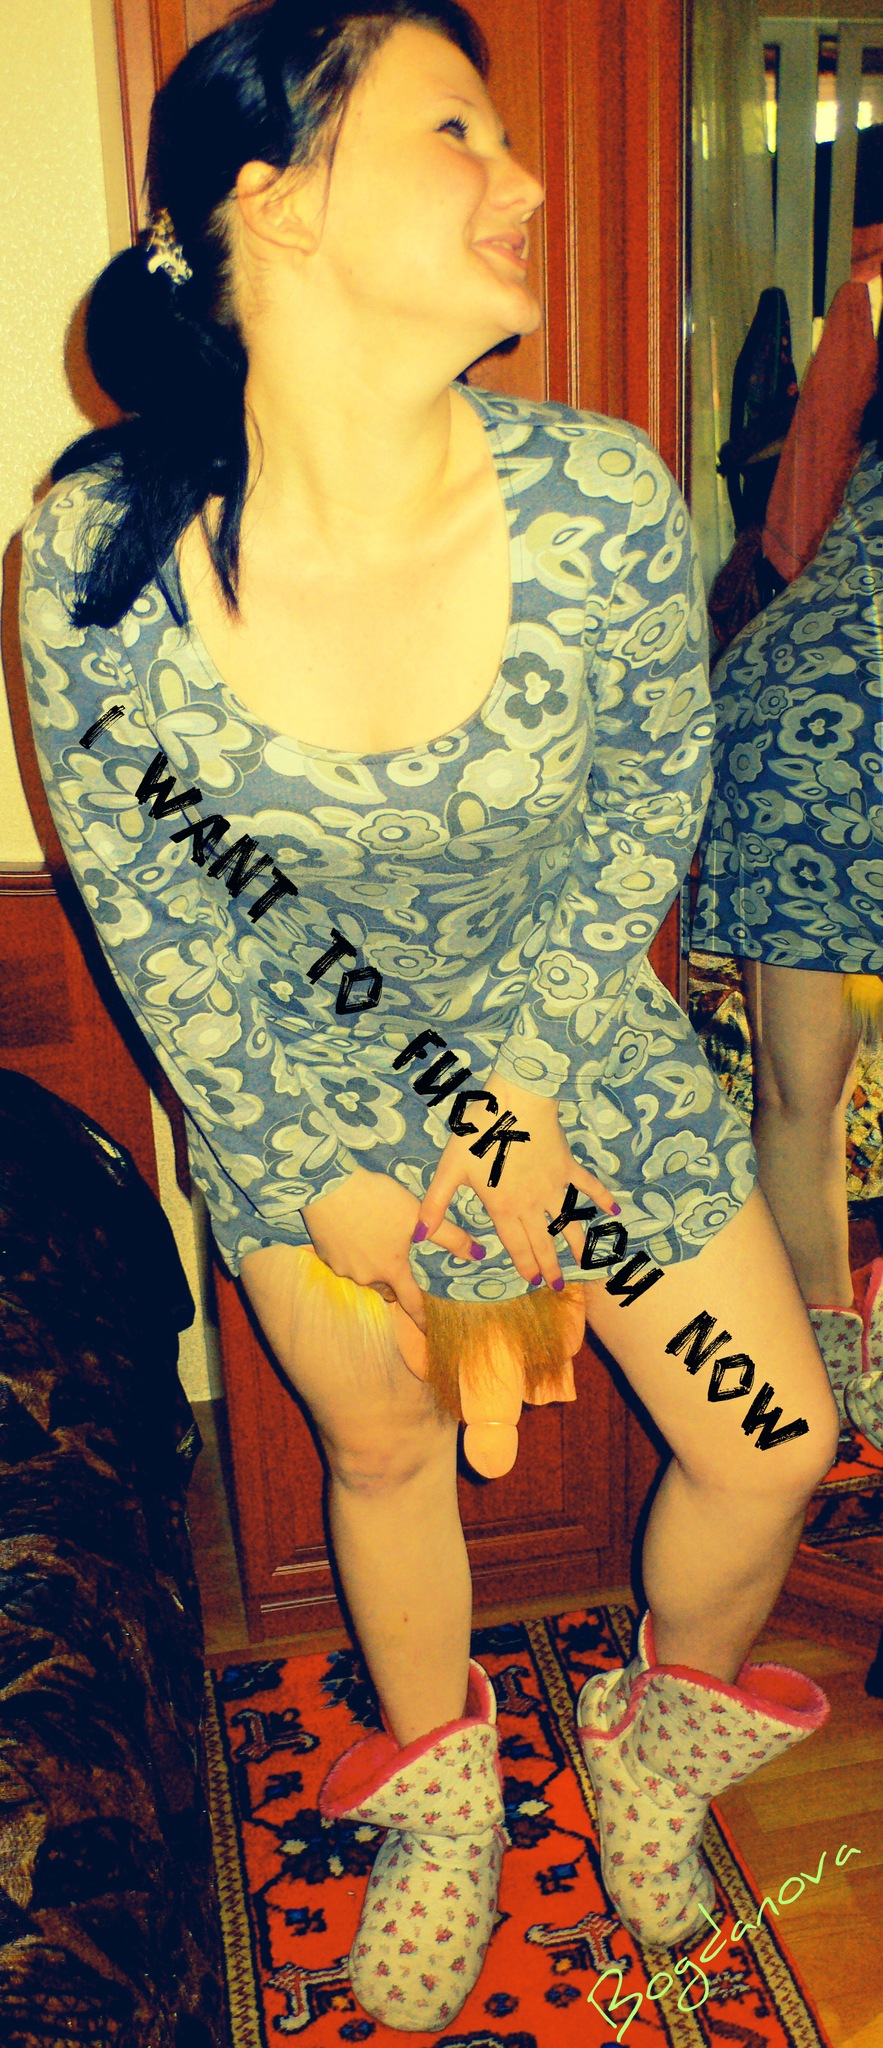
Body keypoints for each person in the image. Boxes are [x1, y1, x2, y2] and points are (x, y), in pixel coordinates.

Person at [21, 0, 836, 2029]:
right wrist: (327, 1175)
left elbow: (648, 802)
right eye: (454, 130)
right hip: (299, 1109)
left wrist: (520, 1095)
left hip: (576, 1065)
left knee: (769, 1434)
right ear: (271, 203)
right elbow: (158, 910)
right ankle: (447, 1803)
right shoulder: (95, 550)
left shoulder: (603, 498)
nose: (523, 177)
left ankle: (648, 1749)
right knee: (383, 1454)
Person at [693, 341, 883, 1450]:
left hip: (792, 705)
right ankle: (845, 1369)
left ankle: (825, 1370)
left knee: (799, 1094)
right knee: (806, 1092)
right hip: (829, 718)